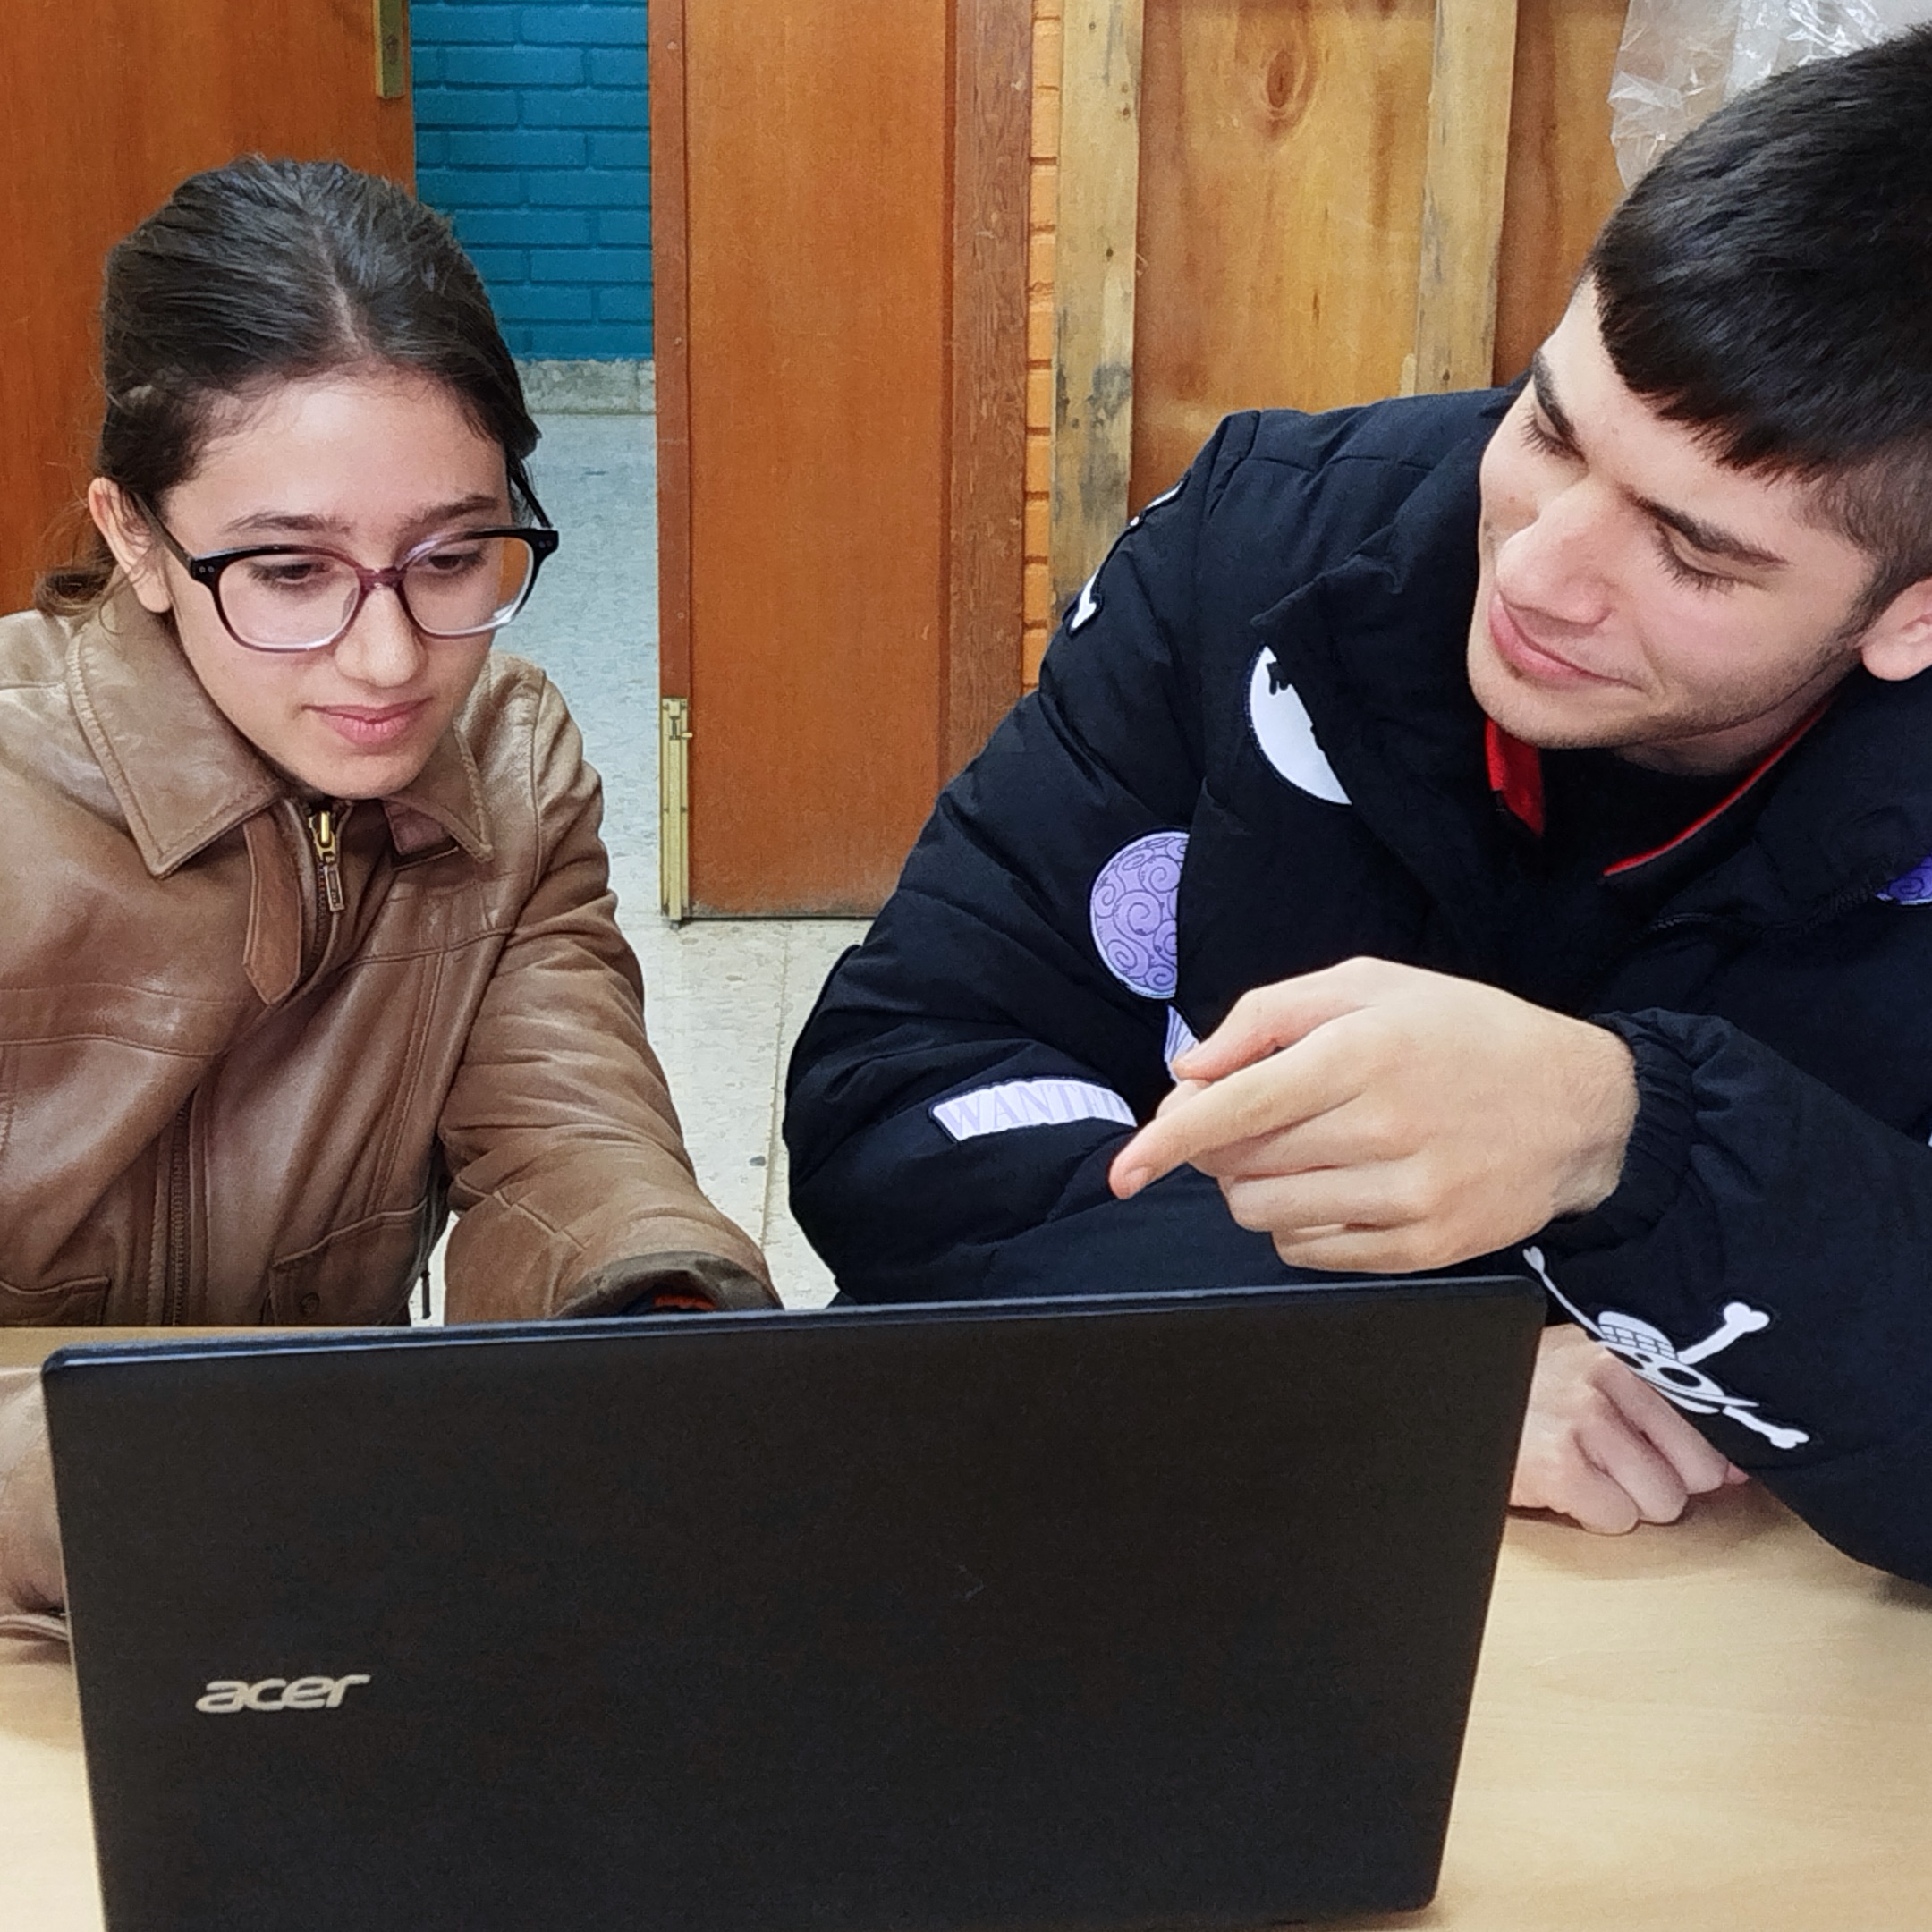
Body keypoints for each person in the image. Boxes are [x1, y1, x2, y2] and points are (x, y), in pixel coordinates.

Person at [785, 31, 1932, 1586]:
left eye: (1691, 552)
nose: (1534, 571)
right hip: (1173, 1523)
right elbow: (894, 1090)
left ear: (1913, 615)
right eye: (1550, 429)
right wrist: (1409, 1367)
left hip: (1716, 1642)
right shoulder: (1270, 544)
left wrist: (1633, 1137)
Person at [0, 158, 775, 1623]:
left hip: (316, 1552)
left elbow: (562, 1142)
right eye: (290, 572)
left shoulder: (512, 758)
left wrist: (663, 1319)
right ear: (134, 537)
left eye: (452, 555)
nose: (391, 659)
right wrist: (141, 1486)